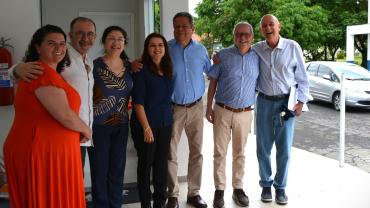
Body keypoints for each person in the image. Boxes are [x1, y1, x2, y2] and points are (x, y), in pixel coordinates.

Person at [3, 24, 92, 208]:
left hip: (54, 149)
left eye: (62, 43)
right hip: (43, 151)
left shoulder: (58, 71)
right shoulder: (39, 71)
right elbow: (65, 115)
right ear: (38, 47)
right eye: (51, 43)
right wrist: (86, 130)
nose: (59, 48)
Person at [10, 16, 96, 172]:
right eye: (80, 33)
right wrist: (16, 69)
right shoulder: (59, 55)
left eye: (90, 34)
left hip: (83, 131)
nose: (85, 38)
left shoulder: (89, 61)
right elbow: (35, 70)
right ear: (70, 35)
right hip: (66, 130)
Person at [253, 14, 309, 205]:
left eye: (271, 24)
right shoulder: (256, 49)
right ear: (261, 30)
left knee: (284, 149)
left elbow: (302, 78)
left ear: (279, 26)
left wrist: (300, 102)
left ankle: (281, 187)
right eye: (264, 26)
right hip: (263, 103)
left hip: (287, 103)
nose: (268, 28)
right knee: (263, 148)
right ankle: (266, 185)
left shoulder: (292, 47)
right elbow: (239, 55)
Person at [206, 22, 259, 208]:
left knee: (240, 153)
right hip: (222, 110)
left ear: (252, 37)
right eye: (238, 34)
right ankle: (219, 190)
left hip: (245, 113)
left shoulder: (258, 57)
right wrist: (208, 107)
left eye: (245, 34)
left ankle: (238, 189)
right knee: (219, 152)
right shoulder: (223, 56)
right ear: (234, 36)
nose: (242, 37)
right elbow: (212, 82)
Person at [166, 12, 211, 208]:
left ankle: (194, 193)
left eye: (184, 26)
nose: (180, 30)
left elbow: (210, 71)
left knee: (197, 152)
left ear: (192, 29)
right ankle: (173, 195)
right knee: (170, 153)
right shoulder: (165, 49)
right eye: (177, 26)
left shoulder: (201, 50)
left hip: (196, 108)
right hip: (173, 108)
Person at [89, 25, 133, 208]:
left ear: (125, 43)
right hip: (98, 126)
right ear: (104, 42)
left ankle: (115, 205)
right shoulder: (93, 65)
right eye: (111, 39)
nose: (116, 43)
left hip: (121, 124)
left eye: (120, 39)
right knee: (99, 170)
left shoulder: (131, 66)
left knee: (117, 169)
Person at [130, 32, 173, 208]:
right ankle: (146, 204)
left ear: (165, 48)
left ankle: (160, 202)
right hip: (146, 126)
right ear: (147, 49)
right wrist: (147, 129)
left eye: (160, 45)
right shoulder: (141, 70)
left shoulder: (167, 68)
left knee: (161, 164)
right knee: (145, 165)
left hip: (165, 123)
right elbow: (138, 103)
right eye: (153, 45)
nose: (157, 49)